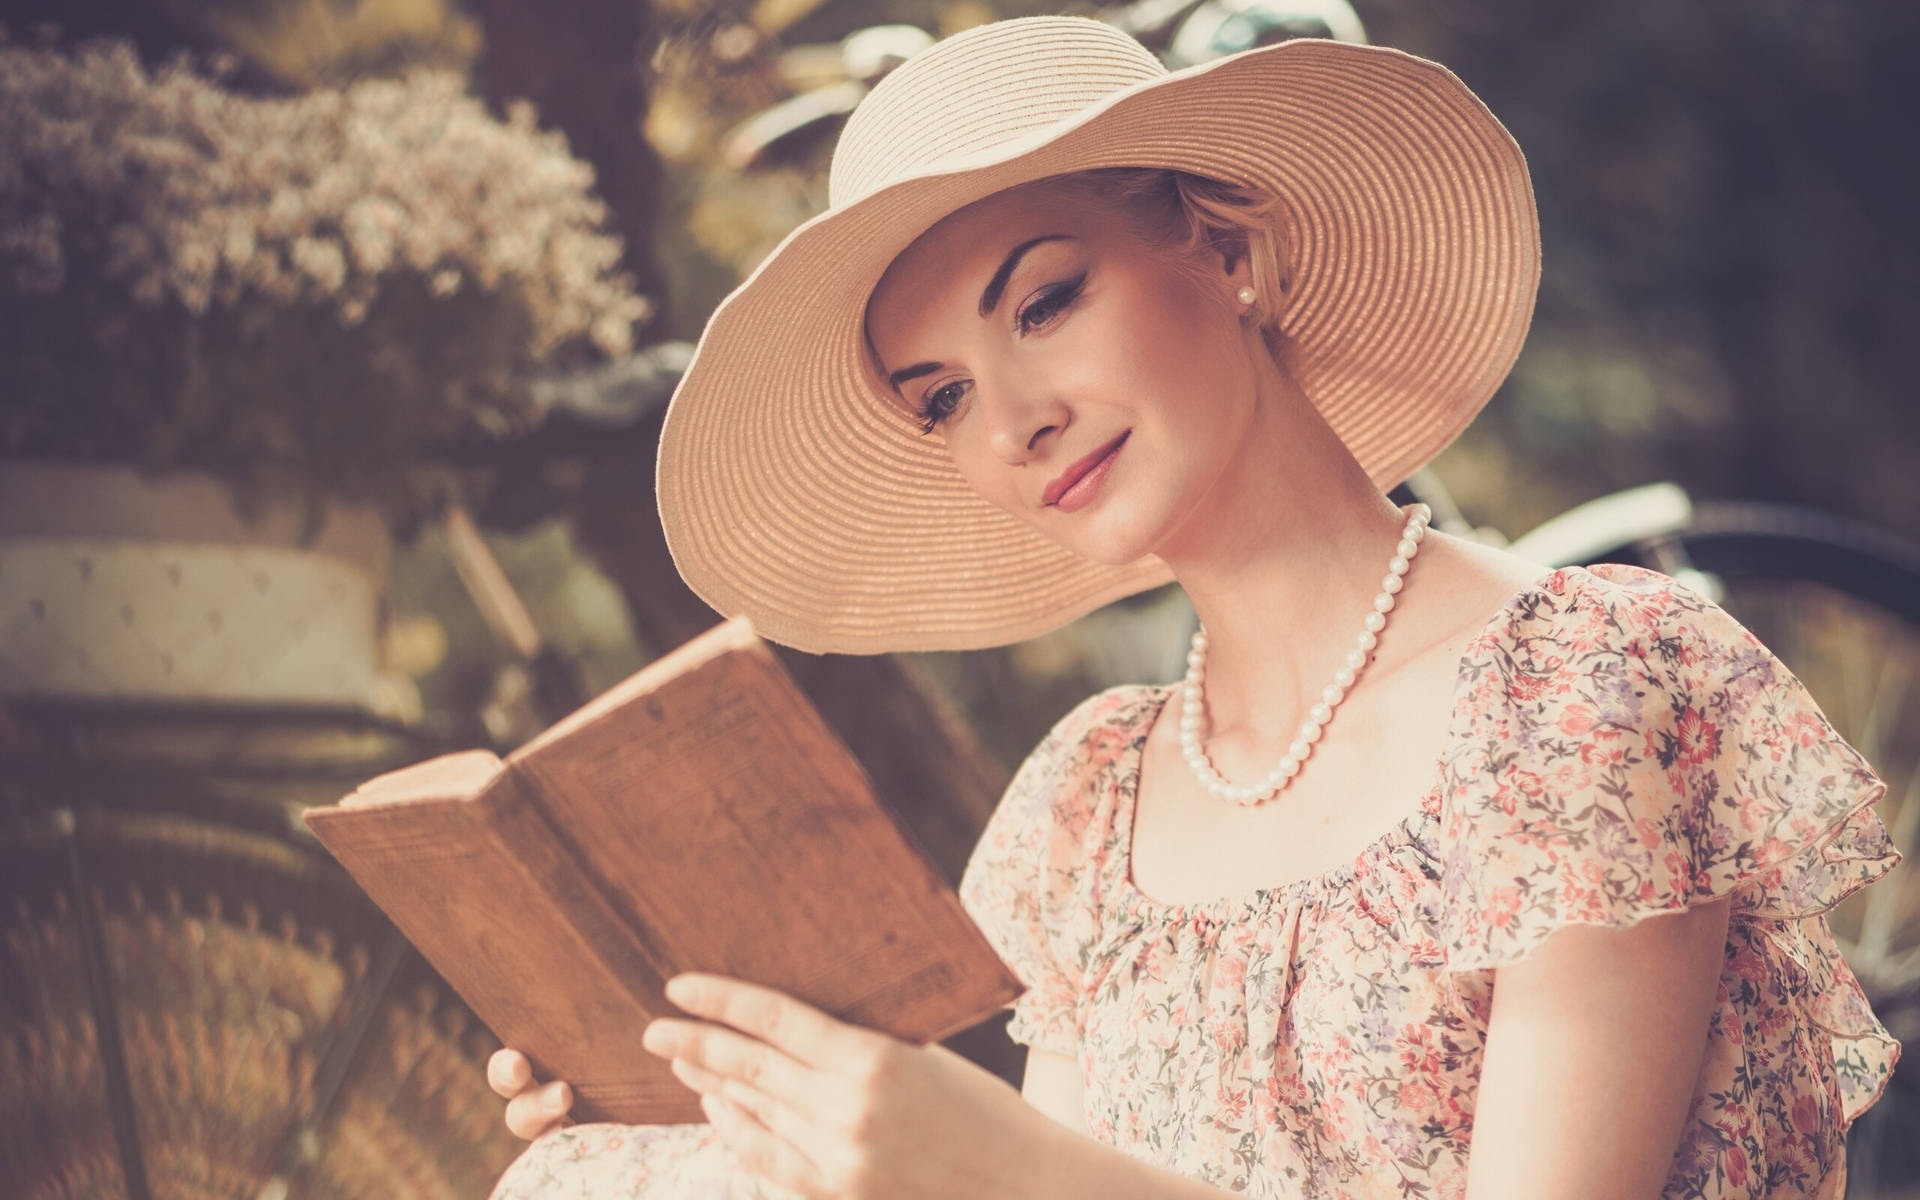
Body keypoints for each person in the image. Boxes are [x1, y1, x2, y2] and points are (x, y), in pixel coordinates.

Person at [484, 14, 1902, 1200]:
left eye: (1042, 304)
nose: (1015, 425)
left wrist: (1008, 1172)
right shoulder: (1089, 807)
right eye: (944, 399)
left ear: (1225, 249)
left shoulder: (1583, 689)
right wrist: (709, 1119)